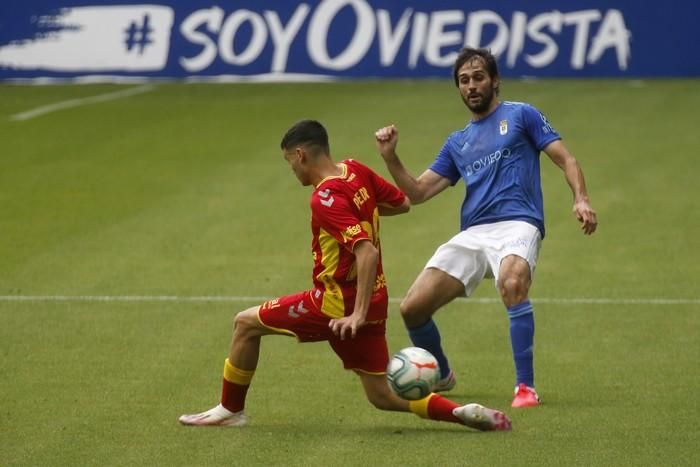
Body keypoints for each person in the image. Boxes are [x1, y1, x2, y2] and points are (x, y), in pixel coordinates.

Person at [178, 119, 512, 431]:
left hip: (335, 305)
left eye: (289, 161)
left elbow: (366, 252)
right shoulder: (355, 171)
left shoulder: (324, 198)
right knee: (380, 395)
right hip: (375, 299)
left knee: (245, 324)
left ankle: (230, 410)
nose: (291, 168)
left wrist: (357, 314)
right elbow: (402, 204)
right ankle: (459, 412)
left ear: (301, 154)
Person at [374, 47, 598, 408]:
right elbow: (417, 192)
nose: (471, 86)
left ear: (495, 81)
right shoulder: (457, 142)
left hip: (518, 224)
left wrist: (581, 198)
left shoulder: (522, 116)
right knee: (412, 308)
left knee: (511, 283)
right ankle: (442, 374)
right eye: (464, 81)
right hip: (475, 233)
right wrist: (390, 157)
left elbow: (565, 158)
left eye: (478, 77)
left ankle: (525, 388)